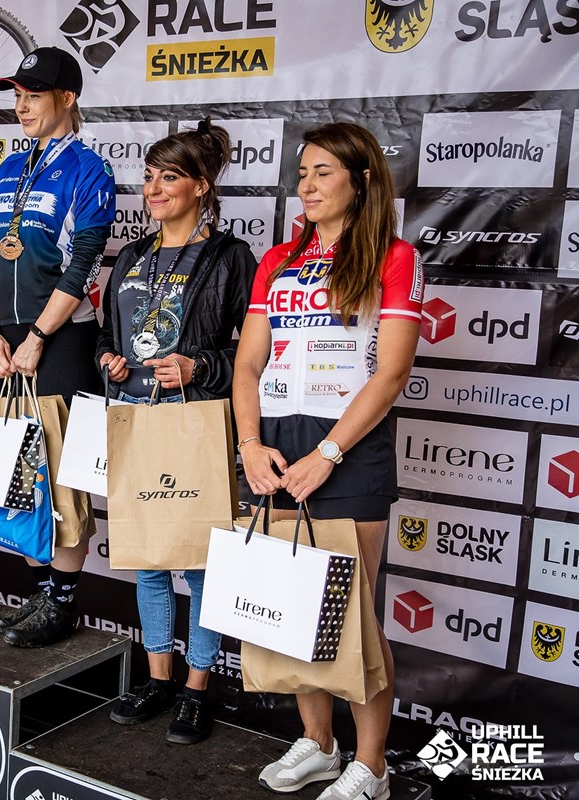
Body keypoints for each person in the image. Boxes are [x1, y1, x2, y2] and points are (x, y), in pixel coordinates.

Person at [233, 122, 421, 800]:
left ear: (361, 180)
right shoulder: (278, 258)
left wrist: (330, 452)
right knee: (290, 607)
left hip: (349, 451)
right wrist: (249, 444)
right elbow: (247, 363)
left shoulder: (394, 256)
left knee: (353, 618)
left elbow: (391, 373)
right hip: (277, 449)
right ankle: (318, 744)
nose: (306, 186)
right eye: (303, 172)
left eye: (323, 172)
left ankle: (372, 766)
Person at [96, 121, 257, 744]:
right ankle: (158, 679)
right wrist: (109, 361)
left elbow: (254, 352)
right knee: (147, 560)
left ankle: (196, 688)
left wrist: (200, 365)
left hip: (196, 423)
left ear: (201, 186)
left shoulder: (229, 257)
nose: (154, 188)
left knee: (198, 563)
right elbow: (108, 335)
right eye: (149, 176)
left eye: (169, 177)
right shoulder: (132, 256)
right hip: (134, 420)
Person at [0, 47, 115, 647]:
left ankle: (62, 601)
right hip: (4, 343)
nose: (22, 106)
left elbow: (83, 265)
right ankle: (40, 594)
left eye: (33, 96)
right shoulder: (9, 166)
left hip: (60, 341)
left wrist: (37, 336)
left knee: (59, 479)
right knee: (16, 476)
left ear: (67, 98)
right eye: (17, 96)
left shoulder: (90, 169)